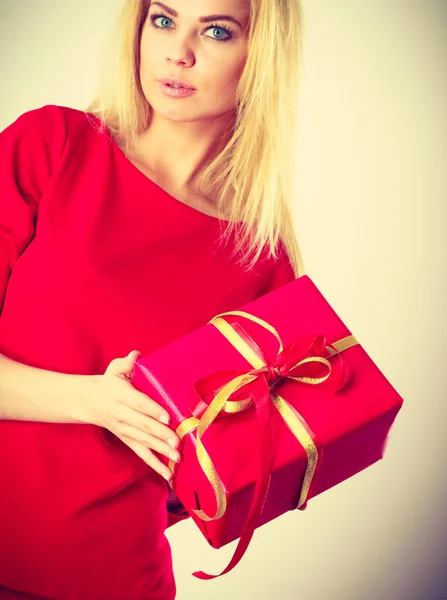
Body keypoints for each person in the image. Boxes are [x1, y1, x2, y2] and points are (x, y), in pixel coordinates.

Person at [0, 0, 304, 598]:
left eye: (216, 31)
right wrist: (93, 401)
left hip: (112, 578)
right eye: (163, 19)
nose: (178, 52)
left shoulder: (262, 260)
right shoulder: (53, 145)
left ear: (260, 55)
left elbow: (214, 479)